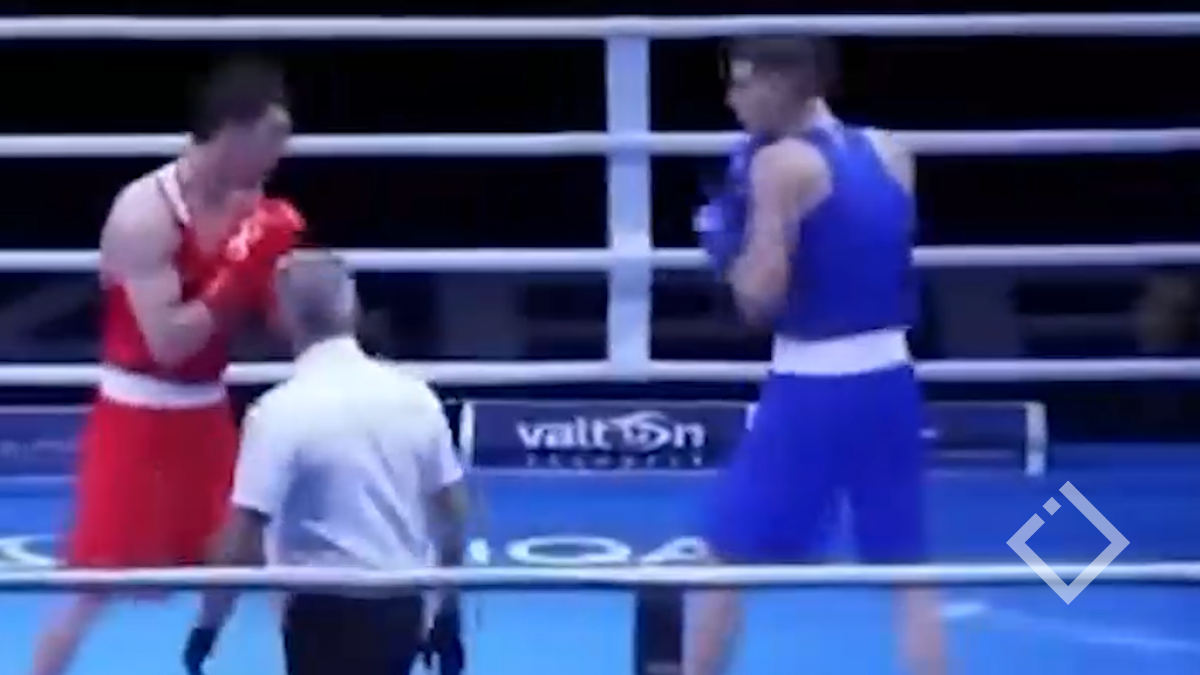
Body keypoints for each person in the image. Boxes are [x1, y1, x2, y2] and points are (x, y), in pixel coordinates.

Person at [31, 57, 305, 675]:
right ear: (233, 132)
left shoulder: (251, 202)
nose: (279, 155)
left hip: (207, 413)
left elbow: (272, 319)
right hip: (136, 418)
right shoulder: (144, 214)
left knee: (265, 559)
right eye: (271, 138)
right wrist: (241, 270)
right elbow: (168, 343)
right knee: (91, 586)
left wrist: (292, 290)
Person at [688, 36, 947, 675]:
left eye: (743, 83)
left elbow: (760, 299)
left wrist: (721, 245)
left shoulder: (781, 166)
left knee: (725, 554)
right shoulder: (889, 149)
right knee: (908, 569)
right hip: (891, 376)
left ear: (781, 85)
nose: (732, 98)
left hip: (815, 385)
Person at [182, 250, 468, 675]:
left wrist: (207, 626)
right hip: (401, 606)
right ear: (354, 310)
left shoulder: (278, 412)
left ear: (281, 319)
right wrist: (447, 610)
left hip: (319, 612)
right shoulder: (417, 398)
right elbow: (452, 512)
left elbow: (242, 538)